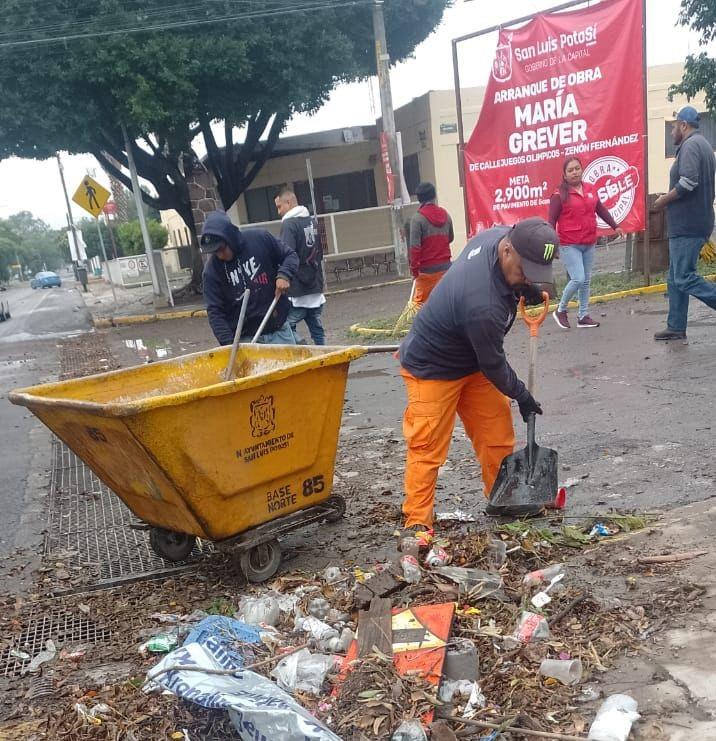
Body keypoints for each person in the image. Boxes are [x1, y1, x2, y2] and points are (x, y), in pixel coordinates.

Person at [398, 217, 559, 535]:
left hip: (471, 359)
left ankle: (501, 497)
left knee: (496, 432)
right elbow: (495, 364)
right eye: (525, 270)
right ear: (508, 250)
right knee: (428, 445)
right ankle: (417, 522)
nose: (528, 278)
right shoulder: (482, 304)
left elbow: (487, 360)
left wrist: (526, 284)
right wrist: (522, 395)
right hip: (433, 366)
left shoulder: (501, 237)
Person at [652, 105, 716, 340]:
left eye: (673, 127)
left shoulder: (690, 146)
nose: (671, 132)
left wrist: (663, 200)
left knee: (684, 276)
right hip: (696, 221)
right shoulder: (704, 145)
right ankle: (676, 326)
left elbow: (688, 182)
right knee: (674, 277)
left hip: (689, 224)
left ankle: (677, 326)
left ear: (683, 125)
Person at [201, 210, 299, 345]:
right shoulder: (212, 271)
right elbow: (215, 311)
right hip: (246, 340)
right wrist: (230, 346)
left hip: (279, 331)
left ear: (229, 237)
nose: (220, 255)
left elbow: (290, 256)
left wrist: (284, 275)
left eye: (222, 249)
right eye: (215, 251)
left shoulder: (260, 239)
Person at [549, 157, 625, 330]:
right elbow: (551, 221)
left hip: (589, 241)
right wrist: (553, 245)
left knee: (585, 281)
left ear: (582, 170)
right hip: (569, 243)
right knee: (578, 278)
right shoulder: (558, 195)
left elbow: (601, 210)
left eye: (577, 168)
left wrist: (616, 226)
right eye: (570, 170)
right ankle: (561, 310)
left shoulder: (590, 189)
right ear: (564, 175)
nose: (575, 172)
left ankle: (583, 316)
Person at [274, 187, 326, 345]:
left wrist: (282, 276)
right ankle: (324, 354)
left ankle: (302, 347)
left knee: (286, 327)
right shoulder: (311, 221)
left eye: (279, 206)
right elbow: (320, 252)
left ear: (288, 202)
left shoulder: (289, 224)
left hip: (297, 289)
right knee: (316, 328)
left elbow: (287, 255)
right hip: (315, 285)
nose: (279, 212)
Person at [408, 182, 454, 305]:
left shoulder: (417, 219)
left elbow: (415, 248)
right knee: (446, 305)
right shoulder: (446, 215)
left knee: (421, 309)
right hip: (446, 271)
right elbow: (450, 238)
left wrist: (414, 271)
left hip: (426, 273)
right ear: (434, 196)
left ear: (418, 198)